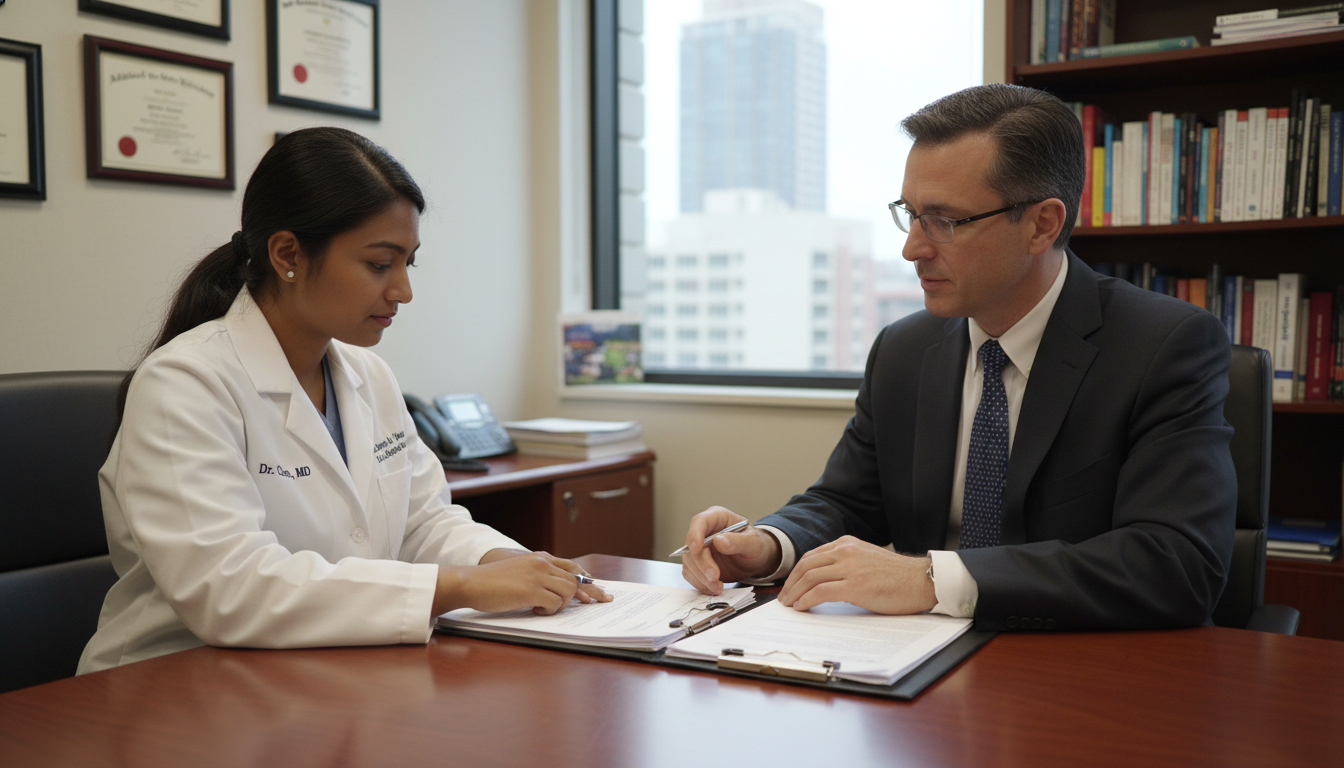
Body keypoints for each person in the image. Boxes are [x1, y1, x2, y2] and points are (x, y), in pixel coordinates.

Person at [680, 84, 1237, 631]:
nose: (912, 248)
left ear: (1042, 224)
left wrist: (931, 579)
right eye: (911, 213)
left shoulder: (1162, 345)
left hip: (1079, 669)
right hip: (913, 667)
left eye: (944, 221)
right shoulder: (904, 349)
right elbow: (846, 499)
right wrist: (769, 543)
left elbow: (1176, 563)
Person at [79, 127, 609, 674]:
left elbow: (423, 523)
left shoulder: (367, 375)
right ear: (287, 253)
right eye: (380, 264)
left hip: (317, 673)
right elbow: (228, 589)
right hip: (172, 682)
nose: (403, 290)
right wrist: (459, 584)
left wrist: (508, 563)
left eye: (409, 263)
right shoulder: (185, 383)